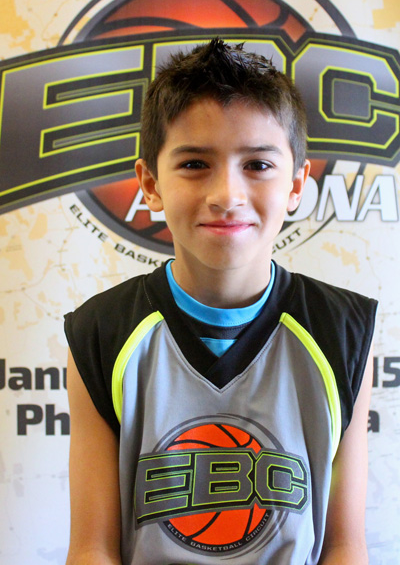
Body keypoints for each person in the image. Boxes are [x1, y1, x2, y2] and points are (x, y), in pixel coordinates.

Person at [64, 38, 377, 565]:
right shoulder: (100, 331)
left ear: (296, 184)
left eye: (257, 164)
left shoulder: (343, 328)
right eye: (194, 163)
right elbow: (93, 548)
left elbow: (344, 546)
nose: (227, 195)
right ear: (150, 184)